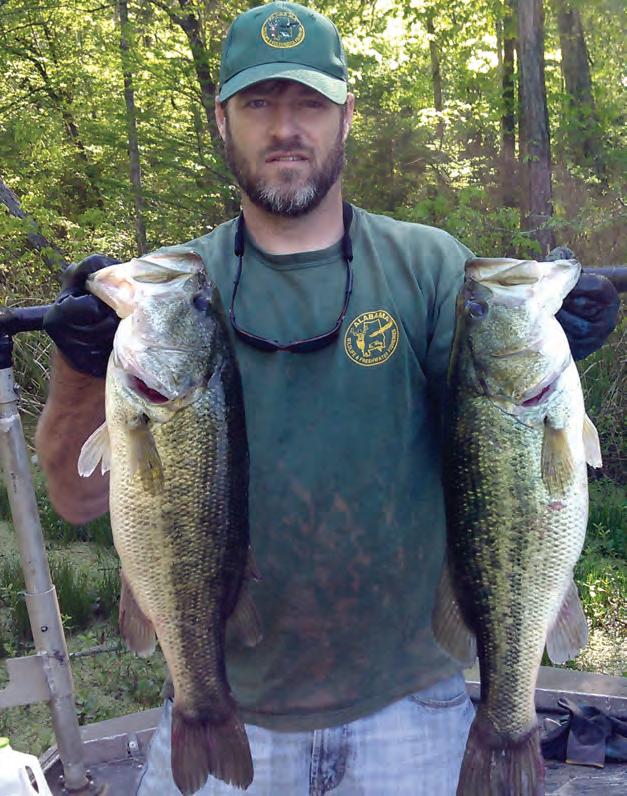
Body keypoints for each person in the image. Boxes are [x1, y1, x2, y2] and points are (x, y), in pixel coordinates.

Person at [36, 3, 619, 794]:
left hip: (410, 706)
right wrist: (80, 362)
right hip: (223, 702)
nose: (285, 128)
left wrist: (565, 343)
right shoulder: (168, 292)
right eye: (258, 103)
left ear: (346, 117)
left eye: (309, 103)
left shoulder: (428, 267)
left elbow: (503, 442)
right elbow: (75, 500)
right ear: (222, 121)